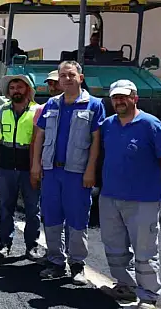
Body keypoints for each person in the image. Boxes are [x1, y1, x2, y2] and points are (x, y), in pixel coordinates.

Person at [99, 80, 161, 309]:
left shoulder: (151, 125)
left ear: (135, 98)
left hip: (144, 199)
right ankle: (125, 287)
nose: (119, 101)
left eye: (124, 96)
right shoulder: (108, 124)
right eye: (115, 97)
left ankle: (149, 296)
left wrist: (145, 174)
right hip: (110, 196)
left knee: (145, 250)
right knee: (115, 247)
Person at [32, 61, 105, 284]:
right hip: (51, 171)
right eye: (63, 76)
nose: (66, 79)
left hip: (77, 172)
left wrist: (91, 169)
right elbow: (40, 137)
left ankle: (76, 264)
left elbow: (96, 141)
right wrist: (36, 165)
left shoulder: (93, 105)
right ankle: (55, 261)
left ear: (80, 78)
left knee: (77, 219)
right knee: (52, 217)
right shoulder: (51, 104)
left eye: (71, 75)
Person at [0, 74, 42, 260]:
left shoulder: (38, 110)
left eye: (19, 87)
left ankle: (32, 247)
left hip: (29, 167)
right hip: (6, 167)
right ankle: (4, 244)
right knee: (5, 207)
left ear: (28, 89)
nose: (15, 91)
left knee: (32, 209)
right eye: (12, 88)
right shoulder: (2, 110)